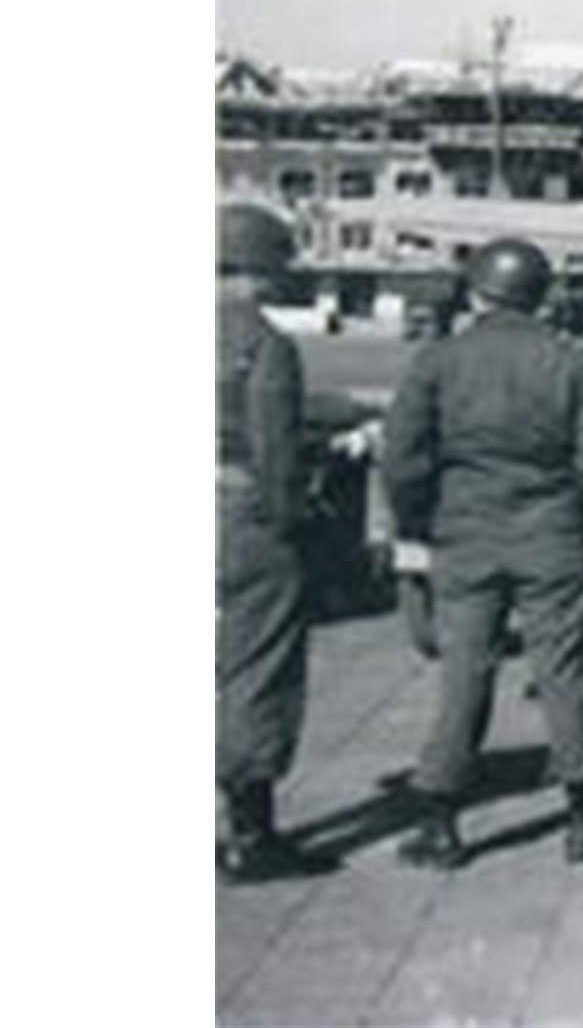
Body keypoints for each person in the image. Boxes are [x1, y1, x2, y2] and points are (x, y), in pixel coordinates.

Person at [383, 239, 583, 868]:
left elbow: (402, 456)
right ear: (540, 295)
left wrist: (419, 519)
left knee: (464, 672)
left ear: (476, 292)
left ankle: (441, 821)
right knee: (560, 671)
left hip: (464, 531)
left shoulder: (439, 359)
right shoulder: (572, 361)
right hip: (549, 530)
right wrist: (580, 512)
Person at [216, 204, 337, 883]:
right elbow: (275, 456)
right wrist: (296, 523)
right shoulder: (262, 344)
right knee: (258, 669)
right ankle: (251, 834)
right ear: (262, 267)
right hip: (242, 517)